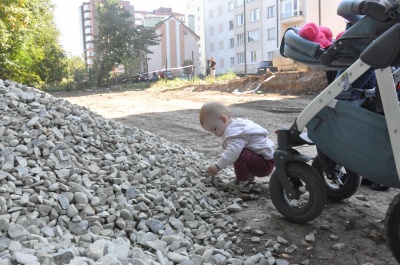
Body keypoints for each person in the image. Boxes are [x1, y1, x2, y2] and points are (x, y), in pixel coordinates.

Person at [199, 101, 275, 190]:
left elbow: (232, 153)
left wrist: (218, 166)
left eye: (215, 129)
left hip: (264, 165)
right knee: (242, 151)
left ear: (224, 119)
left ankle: (242, 184)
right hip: (266, 160)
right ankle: (248, 178)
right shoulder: (237, 125)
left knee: (238, 154)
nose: (215, 134)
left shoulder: (235, 133)